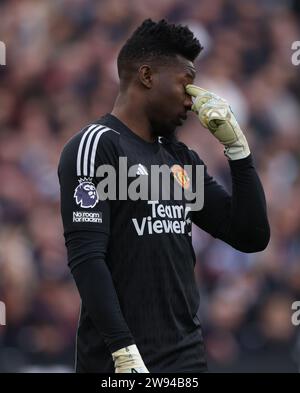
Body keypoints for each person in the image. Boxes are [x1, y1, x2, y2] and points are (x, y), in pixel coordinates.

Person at [58, 19, 270, 373]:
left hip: (186, 360)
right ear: (146, 76)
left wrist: (237, 150)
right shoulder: (95, 145)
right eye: (186, 84)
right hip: (120, 362)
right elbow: (87, 260)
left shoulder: (179, 158)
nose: (193, 100)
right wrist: (122, 349)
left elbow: (250, 236)